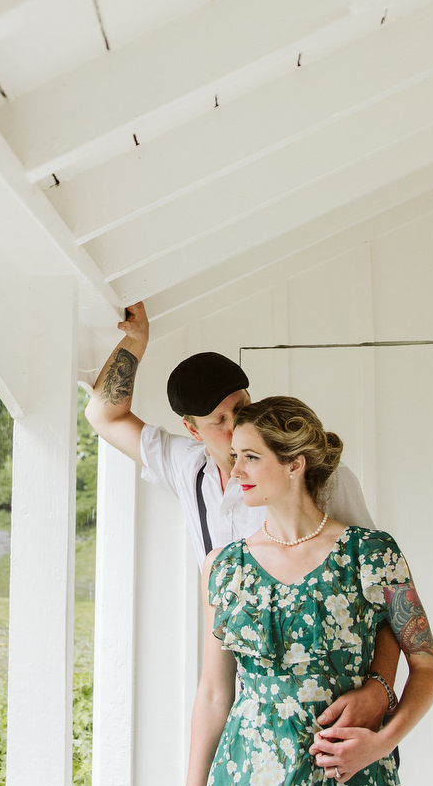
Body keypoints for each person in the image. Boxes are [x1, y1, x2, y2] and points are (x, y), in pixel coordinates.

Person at [85, 301, 403, 739]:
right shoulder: (186, 466)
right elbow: (104, 415)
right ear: (192, 431)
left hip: (337, 703)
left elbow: (383, 597)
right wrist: (136, 342)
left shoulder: (321, 477)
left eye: (242, 407)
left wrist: (379, 690)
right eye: (218, 421)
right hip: (247, 698)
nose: (236, 427)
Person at [166, 396, 433, 786]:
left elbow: (427, 666)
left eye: (251, 456)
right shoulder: (224, 567)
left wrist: (380, 744)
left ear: (295, 464)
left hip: (344, 782)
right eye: (235, 456)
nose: (236, 469)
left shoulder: (372, 554)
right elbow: (213, 694)